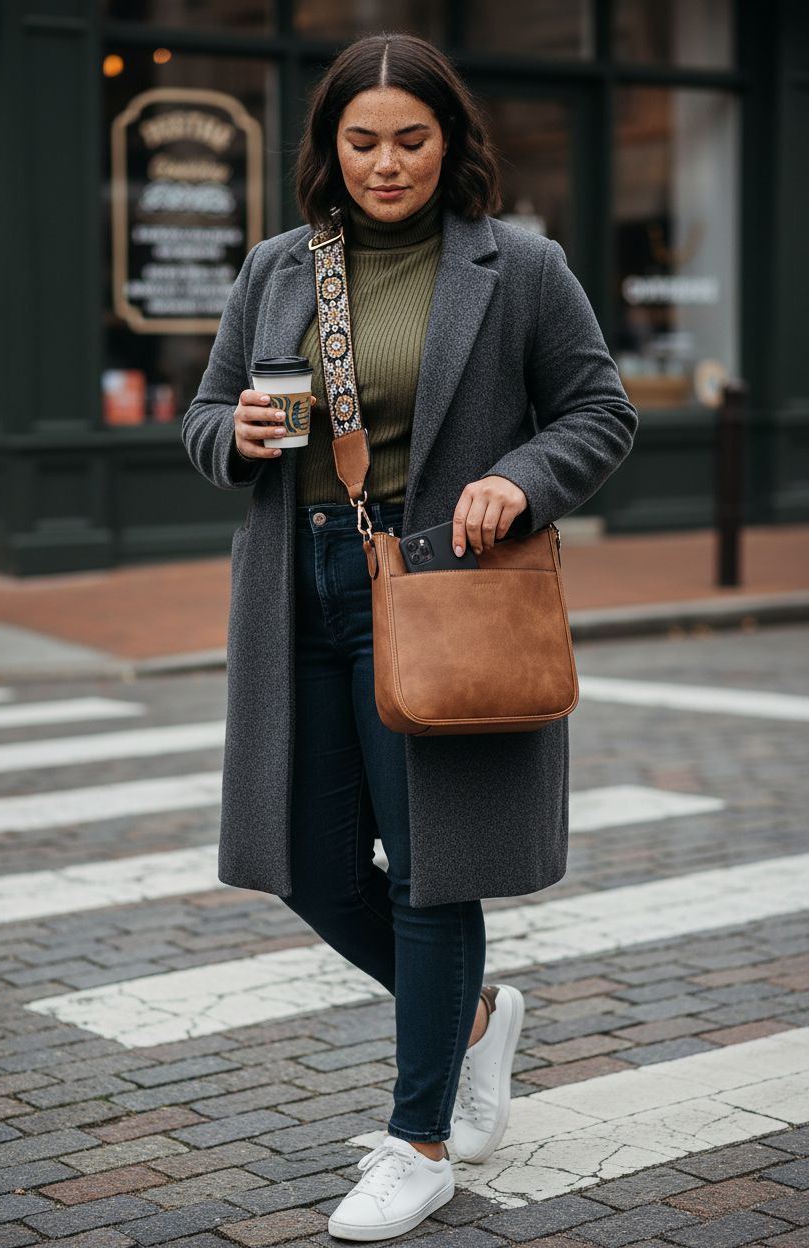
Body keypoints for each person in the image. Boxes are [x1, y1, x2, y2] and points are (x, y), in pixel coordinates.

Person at [182, 31, 638, 1243]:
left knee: (433, 867)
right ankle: (477, 1019)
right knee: (309, 859)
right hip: (302, 585)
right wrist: (237, 438)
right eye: (363, 140)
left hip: (448, 589)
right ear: (330, 149)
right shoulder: (281, 268)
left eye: (412, 138)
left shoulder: (518, 267)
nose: (388, 164)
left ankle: (419, 1140)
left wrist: (524, 480)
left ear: (451, 141)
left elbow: (599, 408)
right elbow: (204, 411)